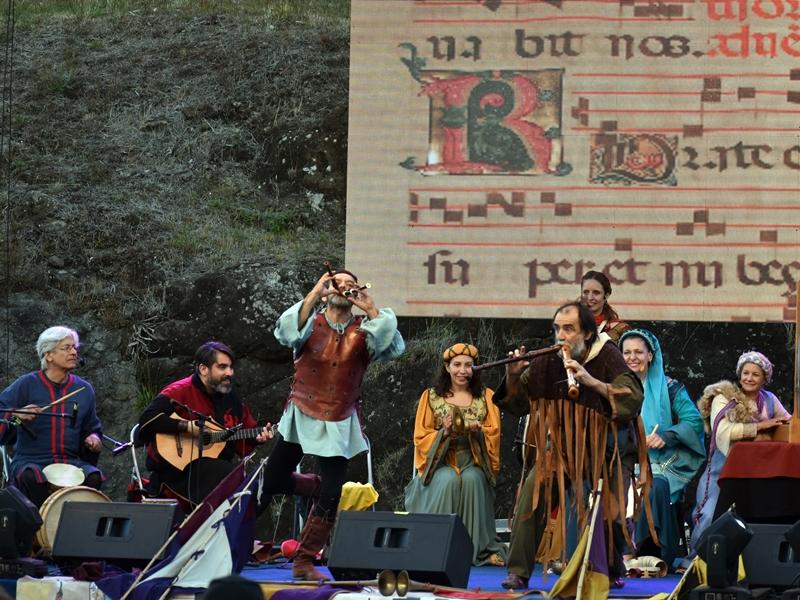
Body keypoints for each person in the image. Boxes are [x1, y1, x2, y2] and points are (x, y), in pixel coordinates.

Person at [259, 267, 405, 581]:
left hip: (338, 419)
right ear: (328, 288)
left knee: (332, 494)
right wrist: (315, 293)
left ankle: (304, 562)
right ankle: (309, 487)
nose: (345, 288)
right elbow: (285, 332)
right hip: (301, 411)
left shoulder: (366, 330)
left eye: (351, 285)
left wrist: (370, 309)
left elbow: (394, 347)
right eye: (338, 283)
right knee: (271, 482)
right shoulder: (310, 322)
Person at [494, 302, 646, 590]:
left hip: (607, 451)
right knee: (531, 497)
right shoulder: (548, 360)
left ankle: (610, 568)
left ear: (587, 333)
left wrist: (592, 381)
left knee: (612, 514)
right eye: (557, 329)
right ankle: (518, 570)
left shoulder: (608, 356)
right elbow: (518, 404)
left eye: (568, 329)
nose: (560, 336)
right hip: (561, 449)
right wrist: (513, 376)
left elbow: (633, 398)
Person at [137, 341, 277, 508]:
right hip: (177, 472)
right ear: (203, 369)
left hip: (213, 467)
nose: (229, 373)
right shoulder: (179, 391)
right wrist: (188, 427)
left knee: (259, 486)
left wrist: (258, 438)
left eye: (231, 367)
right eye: (223, 367)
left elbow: (243, 432)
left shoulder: (232, 399)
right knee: (232, 477)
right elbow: (147, 419)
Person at [404, 343, 506, 566]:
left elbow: (493, 432)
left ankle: (478, 549)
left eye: (469, 365)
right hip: (440, 464)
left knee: (473, 480)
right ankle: (435, 546)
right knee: (447, 480)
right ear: (447, 367)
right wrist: (444, 433)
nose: (463, 370)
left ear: (475, 368)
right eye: (457, 365)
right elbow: (421, 437)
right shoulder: (430, 397)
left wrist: (478, 432)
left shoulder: (487, 396)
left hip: (473, 460)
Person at [619, 329, 705, 569]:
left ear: (650, 355)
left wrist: (667, 435)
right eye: (626, 352)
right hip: (620, 461)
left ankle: (646, 551)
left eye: (638, 352)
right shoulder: (613, 387)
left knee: (654, 487)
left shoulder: (671, 388)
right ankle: (613, 554)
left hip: (661, 464)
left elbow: (694, 421)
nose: (632, 357)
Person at [691, 351, 789, 550]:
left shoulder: (769, 400)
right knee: (710, 514)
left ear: (764, 379)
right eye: (746, 373)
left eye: (755, 374)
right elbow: (723, 432)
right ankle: (696, 558)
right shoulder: (724, 398)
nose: (749, 378)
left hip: (755, 474)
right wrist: (760, 427)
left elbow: (788, 423)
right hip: (723, 470)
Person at [0, 326, 104, 507]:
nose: (74, 352)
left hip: (69, 461)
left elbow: (92, 427)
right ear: (48, 355)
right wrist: (16, 414)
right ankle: (39, 531)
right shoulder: (26, 384)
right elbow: (2, 413)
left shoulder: (84, 389)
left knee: (93, 476)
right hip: (31, 460)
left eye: (75, 348)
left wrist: (93, 438)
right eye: (66, 348)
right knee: (31, 476)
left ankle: (73, 529)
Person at [579, 270, 631, 344]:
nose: (590, 297)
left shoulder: (619, 328)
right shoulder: (571, 325)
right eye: (586, 292)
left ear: (606, 296)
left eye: (596, 292)